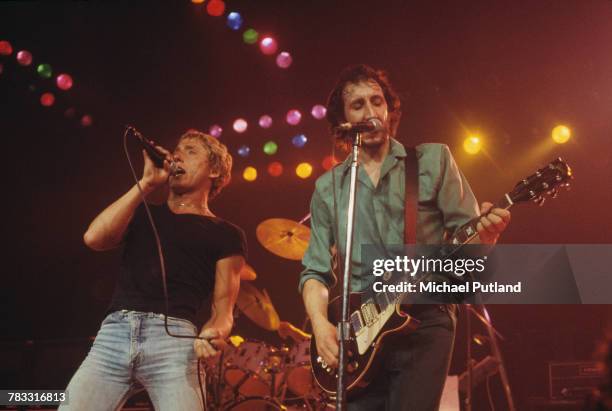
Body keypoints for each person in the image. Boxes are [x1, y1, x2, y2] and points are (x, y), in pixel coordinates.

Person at [299, 64, 511, 411]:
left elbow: (467, 245)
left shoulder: (432, 160)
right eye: (358, 105)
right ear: (343, 120)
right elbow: (314, 270)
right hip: (358, 330)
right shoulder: (329, 187)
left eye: (377, 101)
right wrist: (321, 325)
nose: (371, 112)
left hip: (424, 318)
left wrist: (488, 237)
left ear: (389, 109)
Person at [60, 130, 246, 411]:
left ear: (215, 170)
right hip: (114, 334)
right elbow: (94, 238)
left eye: (191, 151)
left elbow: (223, 310)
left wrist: (214, 331)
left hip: (174, 345)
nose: (177, 155)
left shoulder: (227, 233)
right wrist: (147, 183)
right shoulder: (141, 211)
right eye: (177, 149)